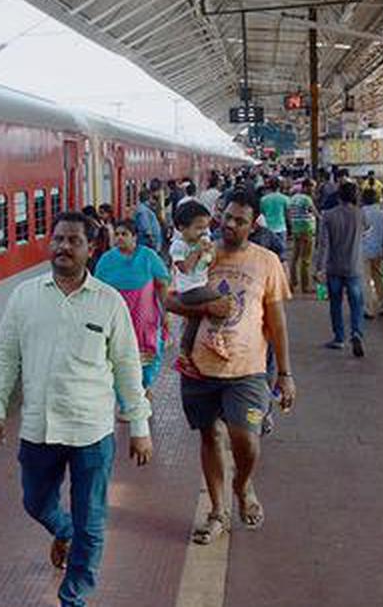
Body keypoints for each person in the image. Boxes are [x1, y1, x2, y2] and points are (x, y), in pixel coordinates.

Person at [0, 211, 153, 607]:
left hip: (92, 430)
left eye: (73, 240)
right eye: (58, 239)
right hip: (39, 426)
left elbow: (128, 366)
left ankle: (73, 596)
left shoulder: (108, 302)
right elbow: (6, 356)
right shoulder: (24, 296)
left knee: (92, 521)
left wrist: (140, 426)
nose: (63, 247)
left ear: (90, 248)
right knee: (35, 502)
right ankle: (64, 531)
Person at [165, 188, 296, 544]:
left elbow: (277, 321)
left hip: (249, 373)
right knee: (209, 436)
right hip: (200, 369)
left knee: (247, 439)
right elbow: (171, 301)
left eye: (240, 220)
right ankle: (218, 511)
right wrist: (206, 308)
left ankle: (242, 485)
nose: (230, 225)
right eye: (226, 217)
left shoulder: (266, 261)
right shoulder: (200, 252)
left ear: (253, 224)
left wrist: (284, 374)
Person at [94, 219, 171, 400]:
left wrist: (165, 312)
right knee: (118, 354)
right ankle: (124, 399)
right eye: (117, 234)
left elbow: (162, 284)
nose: (119, 238)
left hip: (145, 318)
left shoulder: (148, 256)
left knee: (149, 351)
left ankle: (144, 385)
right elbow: (97, 290)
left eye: (124, 234)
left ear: (134, 237)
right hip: (117, 318)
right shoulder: (107, 260)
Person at [169, 201, 228, 372]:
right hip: (188, 291)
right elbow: (185, 268)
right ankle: (214, 335)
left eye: (206, 227)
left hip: (200, 286)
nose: (204, 232)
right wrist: (197, 251)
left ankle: (184, 352)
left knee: (193, 322)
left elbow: (209, 264)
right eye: (199, 228)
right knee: (223, 301)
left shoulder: (202, 241)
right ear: (182, 227)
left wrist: (210, 252)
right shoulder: (178, 246)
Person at [314, 181, 368, 356]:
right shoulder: (360, 215)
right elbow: (367, 230)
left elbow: (323, 244)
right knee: (357, 304)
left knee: (335, 304)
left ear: (338, 196)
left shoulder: (328, 215)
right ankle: (356, 333)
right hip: (354, 266)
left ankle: (339, 338)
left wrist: (319, 267)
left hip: (334, 267)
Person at [361, 188, 383, 318]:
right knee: (378, 277)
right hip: (377, 251)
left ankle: (369, 309)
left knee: (366, 280)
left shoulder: (360, 213)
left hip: (362, 251)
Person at [287, 178, 319, 294]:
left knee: (295, 257)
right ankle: (305, 286)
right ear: (306, 187)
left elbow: (289, 213)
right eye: (312, 188)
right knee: (306, 259)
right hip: (307, 230)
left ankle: (293, 282)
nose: (313, 190)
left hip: (296, 229)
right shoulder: (307, 199)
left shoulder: (293, 198)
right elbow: (315, 213)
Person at [259, 177, 291, 258]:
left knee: (267, 255)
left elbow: (262, 214)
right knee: (281, 255)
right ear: (279, 186)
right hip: (281, 228)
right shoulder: (285, 199)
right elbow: (288, 215)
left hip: (267, 229)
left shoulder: (263, 199)